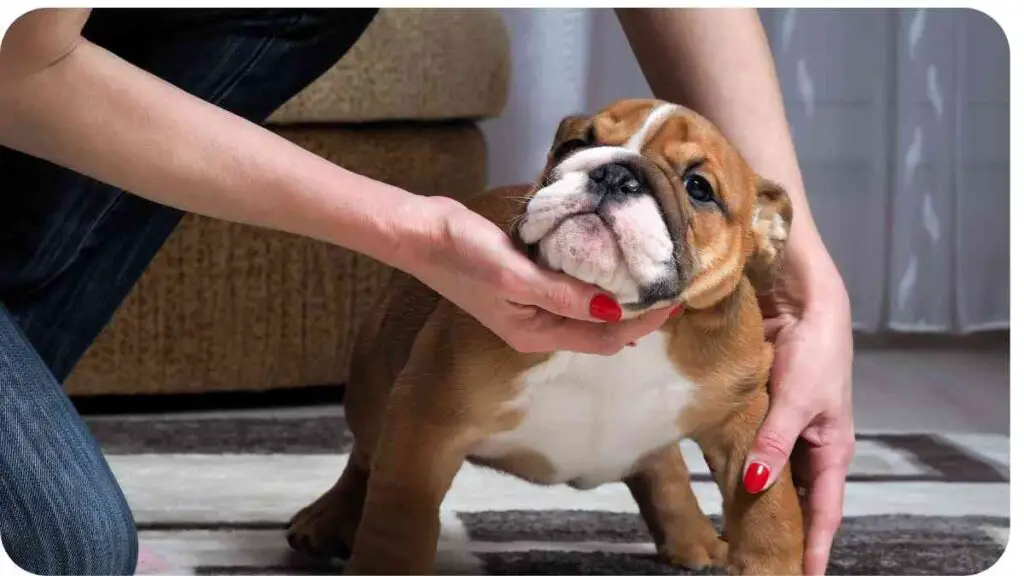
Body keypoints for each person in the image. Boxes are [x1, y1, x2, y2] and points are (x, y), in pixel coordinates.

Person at [0, 7, 853, 576]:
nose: (616, 185)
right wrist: (414, 234)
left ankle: (662, 495)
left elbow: (754, 461)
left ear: (753, 240)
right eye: (588, 153)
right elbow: (23, 59)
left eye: (695, 192)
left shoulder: (734, 329)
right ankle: (357, 476)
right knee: (71, 551)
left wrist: (811, 274)